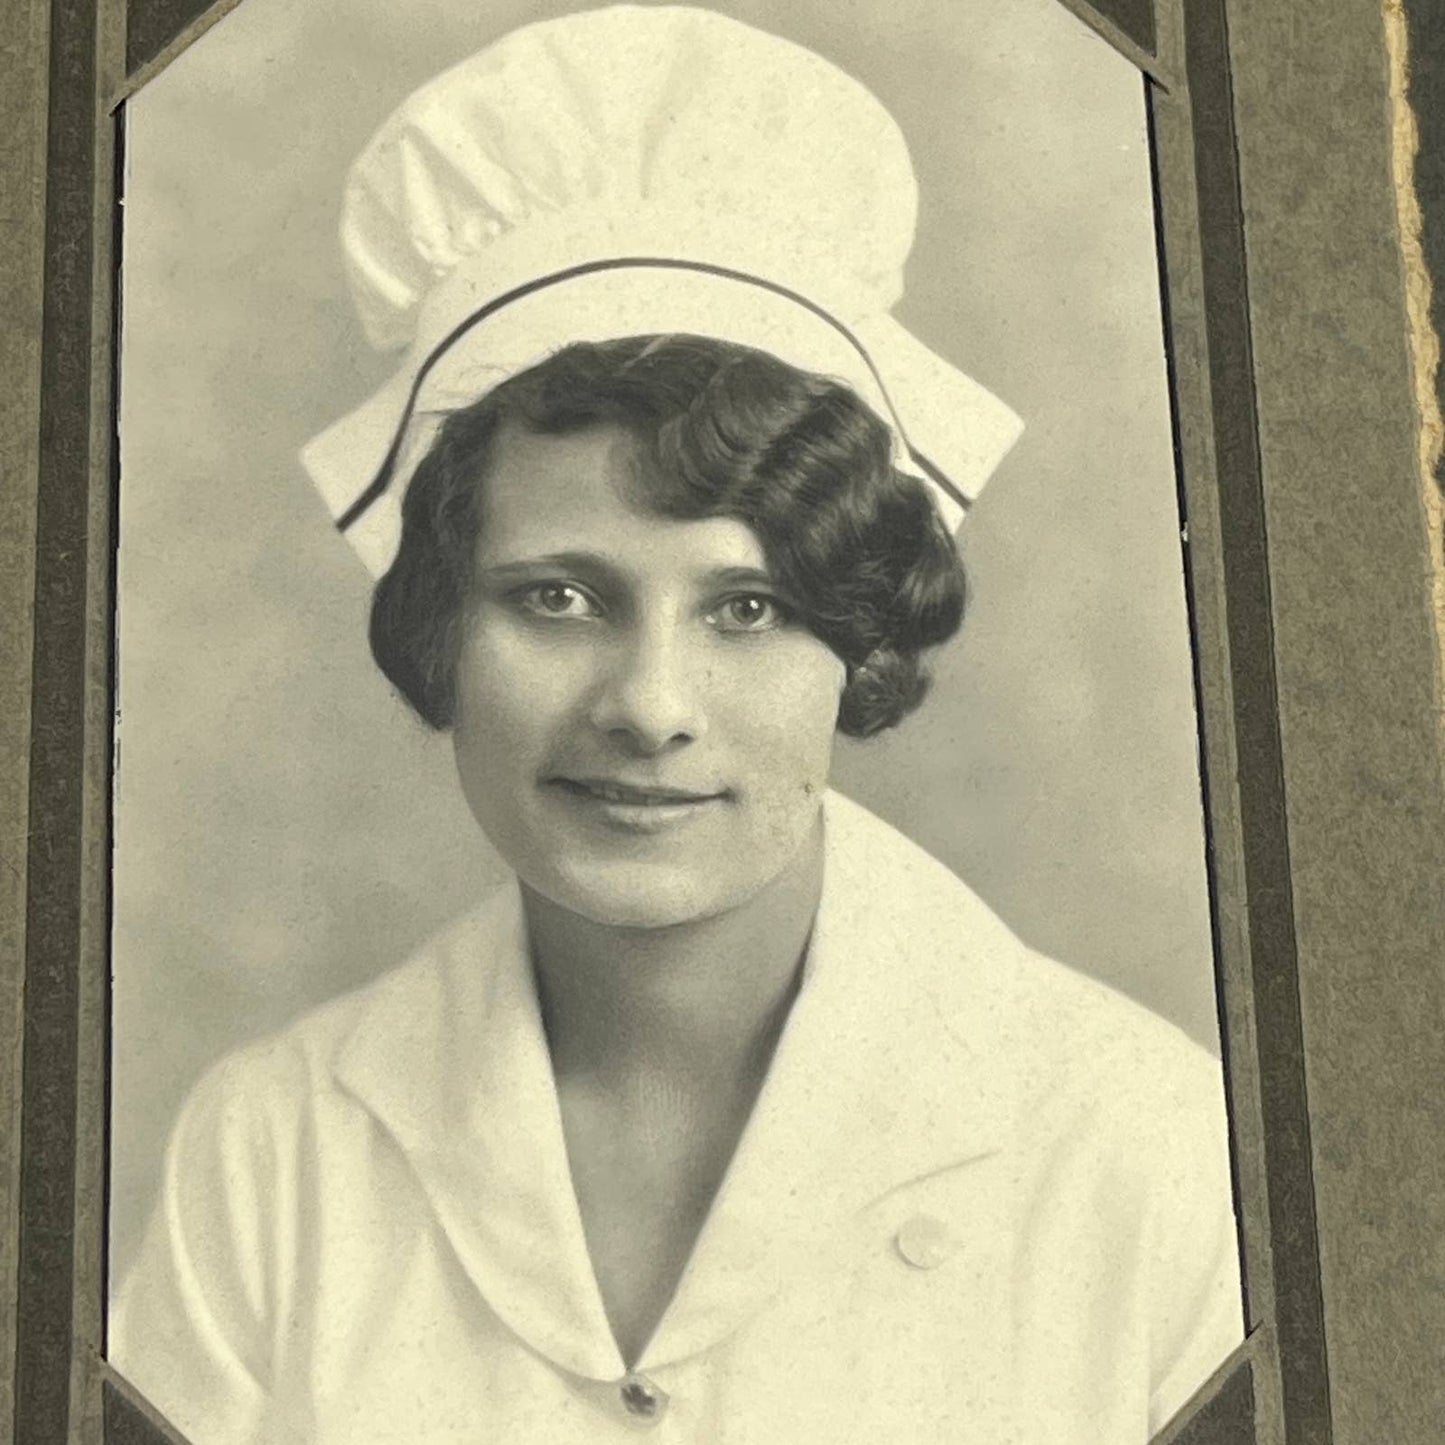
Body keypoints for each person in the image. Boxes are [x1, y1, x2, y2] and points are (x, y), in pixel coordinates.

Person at [109, 8, 1244, 1443]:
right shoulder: (272, 1152)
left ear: (856, 644)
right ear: (441, 627)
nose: (648, 707)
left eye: (747, 609)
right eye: (561, 594)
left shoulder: (1148, 1151)